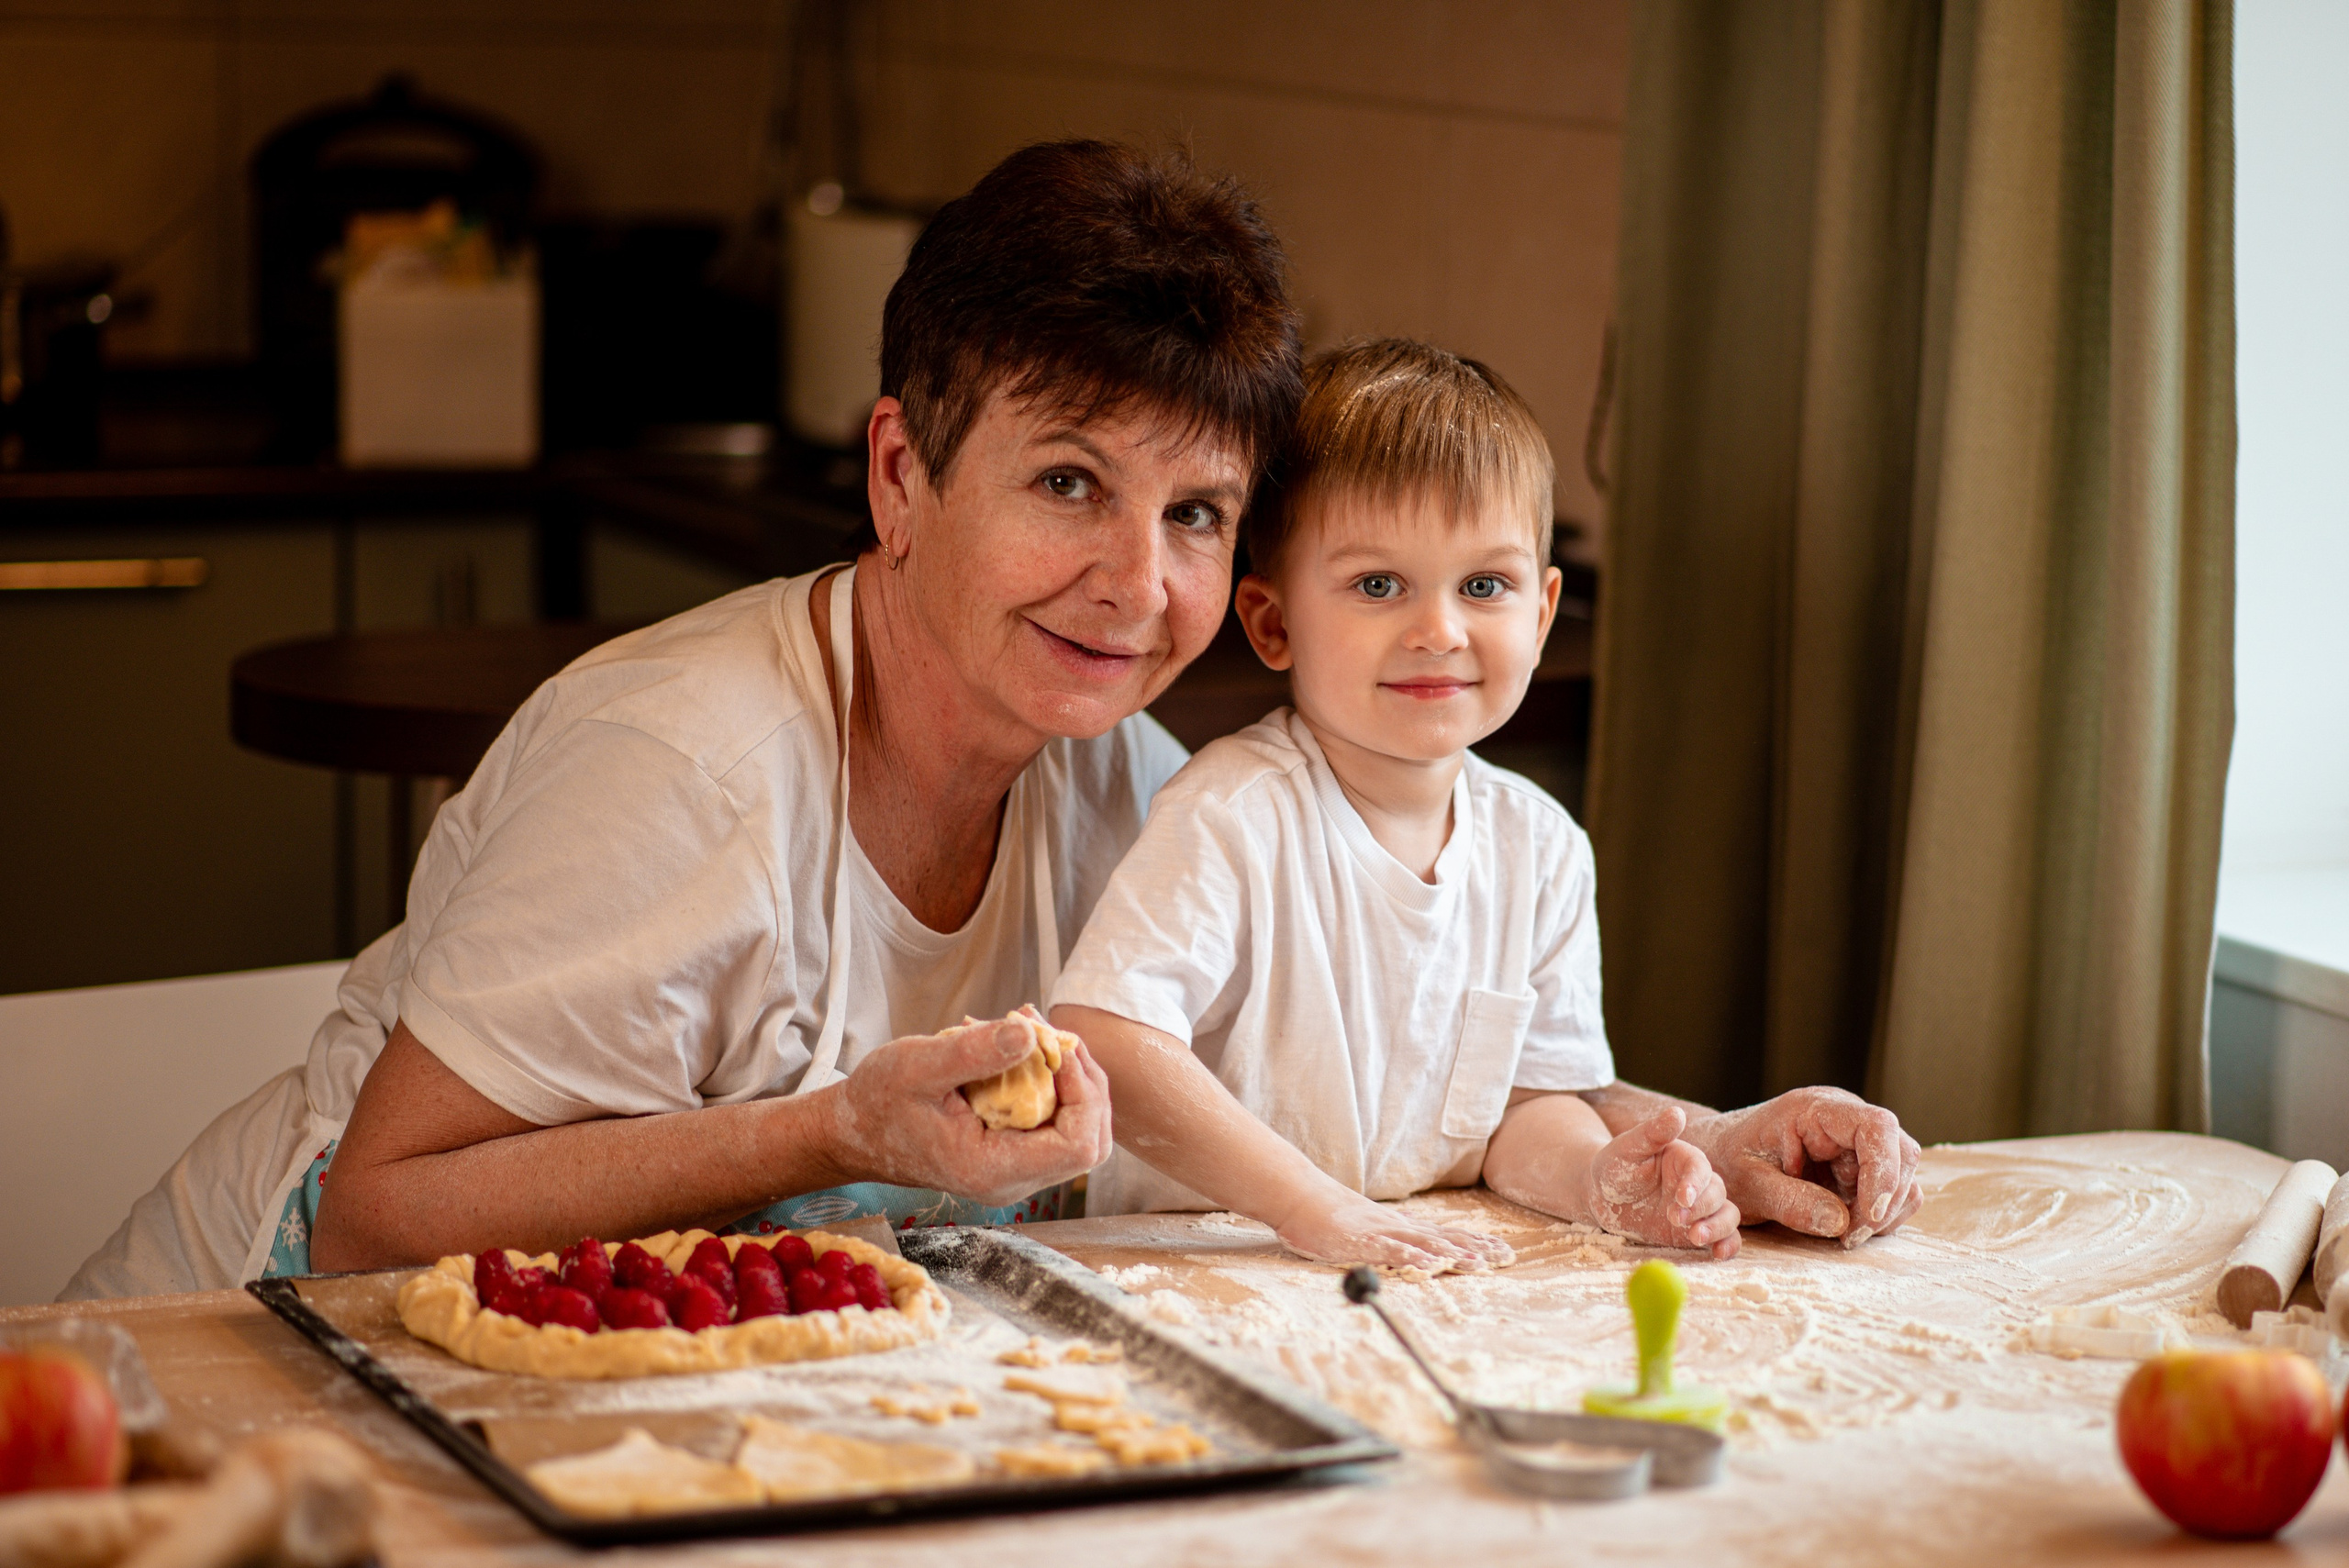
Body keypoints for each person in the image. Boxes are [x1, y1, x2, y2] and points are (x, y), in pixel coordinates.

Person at [61, 139, 1305, 1296]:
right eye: (1068, 481)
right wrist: (837, 1131)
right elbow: (372, 1222)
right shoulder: (685, 771)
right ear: (899, 476)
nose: (1139, 584)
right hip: (229, 1352)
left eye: (1195, 512)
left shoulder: (1135, 799)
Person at [1050, 340, 1923, 1273]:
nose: (1439, 630)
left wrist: (1602, 1179)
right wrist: (1317, 1207)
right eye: (1378, 585)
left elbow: (1523, 1107)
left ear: (1540, 615)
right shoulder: (1231, 815)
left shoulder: (1541, 848)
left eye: (1483, 586)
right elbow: (1108, 1039)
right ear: (1273, 622)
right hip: (1200, 1273)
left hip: (1409, 1268)